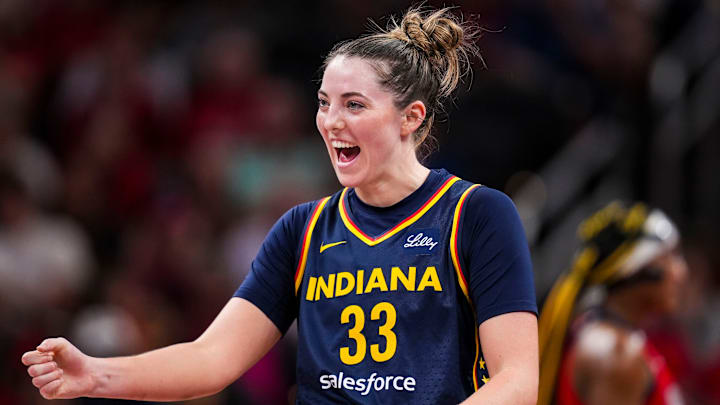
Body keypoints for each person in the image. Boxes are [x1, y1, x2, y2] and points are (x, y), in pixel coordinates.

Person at [21, 6, 538, 404]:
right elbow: (212, 357)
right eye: (323, 103)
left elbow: (516, 381)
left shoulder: (477, 214)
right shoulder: (303, 229)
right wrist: (95, 374)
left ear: (410, 118)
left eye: (354, 105)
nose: (331, 121)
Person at [538, 201, 687, 405]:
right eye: (670, 257)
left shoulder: (617, 338)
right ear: (635, 268)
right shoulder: (615, 353)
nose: (681, 272)